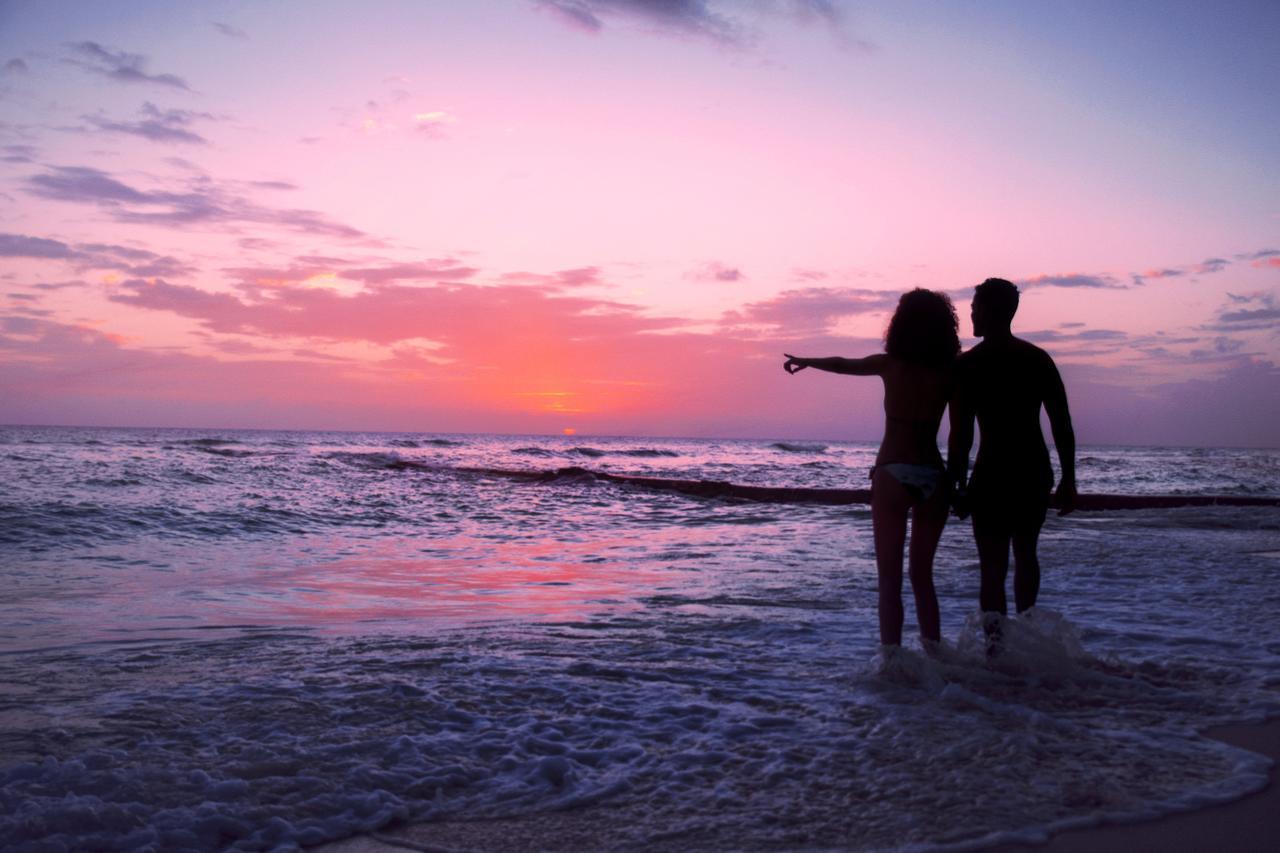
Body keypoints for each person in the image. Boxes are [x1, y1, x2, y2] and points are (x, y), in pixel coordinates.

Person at [783, 289, 960, 650]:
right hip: (934, 475)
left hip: (892, 473)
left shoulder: (889, 364)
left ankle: (893, 663)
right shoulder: (950, 373)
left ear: (901, 325)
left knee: (889, 581)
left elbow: (843, 364)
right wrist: (958, 480)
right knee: (923, 578)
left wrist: (807, 360)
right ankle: (935, 656)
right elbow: (960, 431)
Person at [947, 278, 1076, 633]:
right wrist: (1069, 478)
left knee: (992, 566)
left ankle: (996, 650)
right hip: (1032, 470)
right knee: (1026, 555)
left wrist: (956, 483)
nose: (970, 313)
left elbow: (961, 434)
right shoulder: (1036, 359)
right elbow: (1061, 424)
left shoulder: (969, 365)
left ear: (990, 311)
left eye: (974, 308)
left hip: (992, 473)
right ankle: (1029, 638)